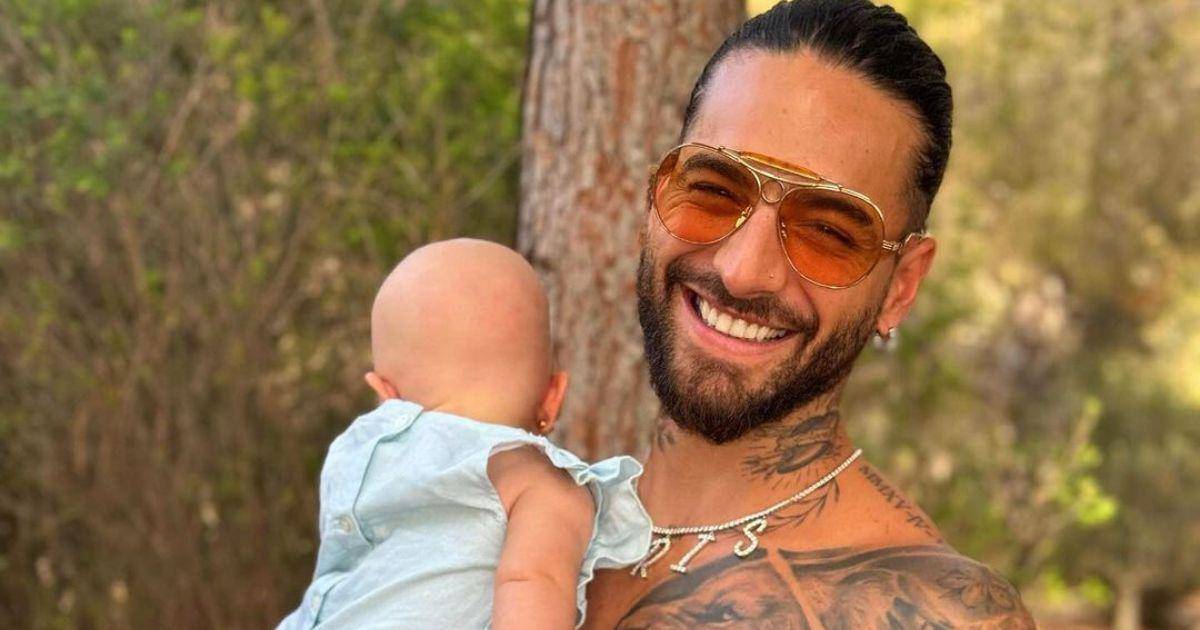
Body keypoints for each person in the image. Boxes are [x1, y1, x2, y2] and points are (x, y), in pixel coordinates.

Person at [584, 1, 1037, 627]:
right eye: (714, 191)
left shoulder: (935, 614)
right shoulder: (513, 520)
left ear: (901, 286)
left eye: (827, 232)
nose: (742, 271)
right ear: (656, 197)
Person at [278, 238, 651, 630]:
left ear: (387, 397)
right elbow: (534, 582)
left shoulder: (359, 457)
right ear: (552, 399)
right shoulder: (542, 487)